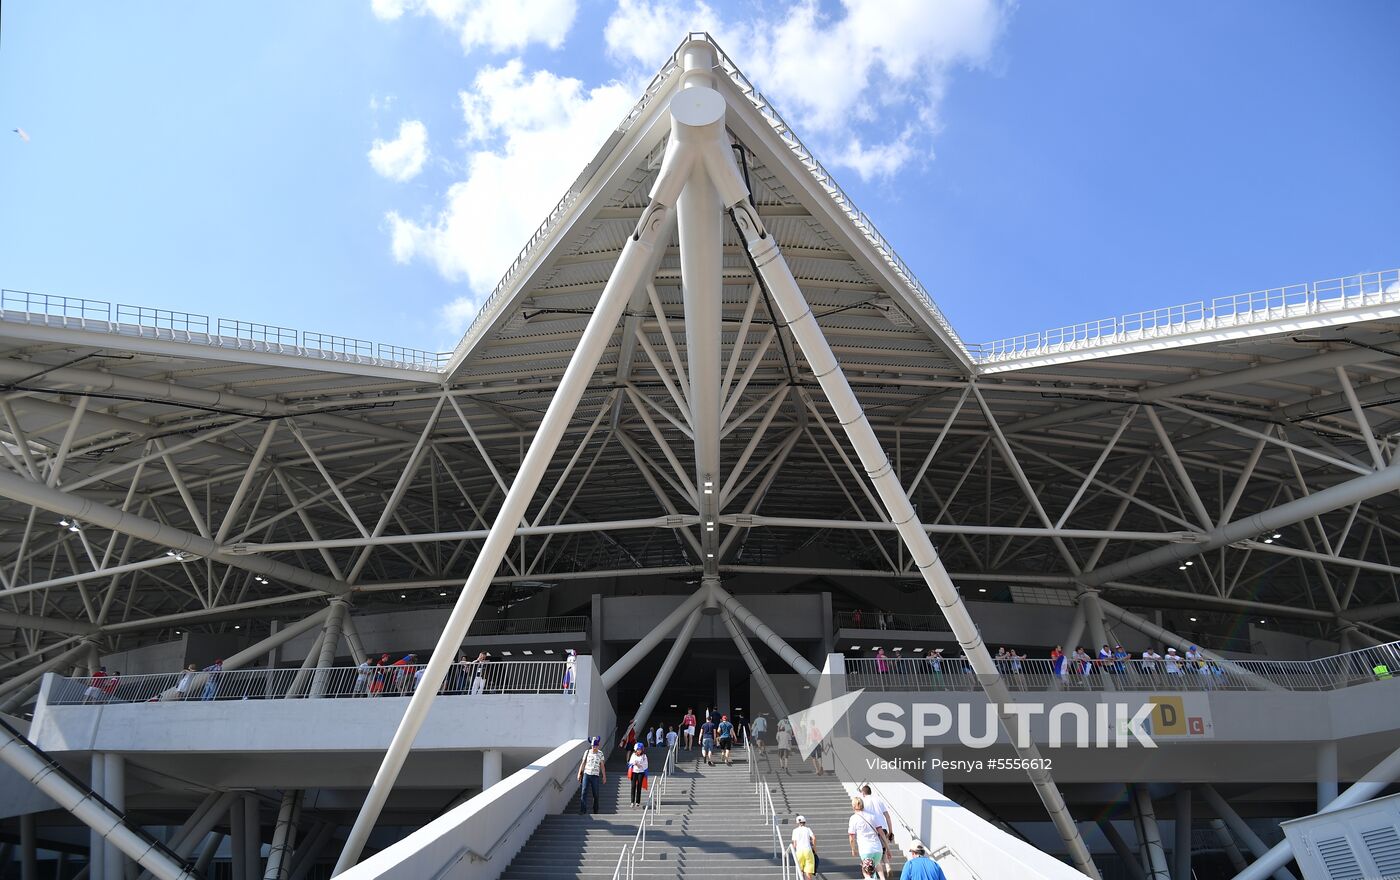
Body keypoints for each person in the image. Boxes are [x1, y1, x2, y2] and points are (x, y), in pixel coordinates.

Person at [848, 796, 890, 880]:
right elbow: (881, 833)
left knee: (867, 873)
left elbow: (851, 837)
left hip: (865, 849)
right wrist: (888, 848)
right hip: (878, 849)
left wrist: (853, 849)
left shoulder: (853, 818)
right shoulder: (872, 816)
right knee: (876, 867)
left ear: (853, 806)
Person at [577, 736, 607, 815]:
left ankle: (595, 810)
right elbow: (583, 763)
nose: (594, 747)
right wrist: (579, 773)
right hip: (587, 774)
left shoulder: (600, 753)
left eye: (596, 746)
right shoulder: (587, 752)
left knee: (596, 794)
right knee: (584, 792)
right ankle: (582, 810)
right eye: (593, 746)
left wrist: (604, 776)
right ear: (591, 745)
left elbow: (602, 765)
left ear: (598, 746)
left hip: (595, 776)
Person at [791, 814, 818, 880]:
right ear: (804, 822)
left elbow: (794, 844)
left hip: (799, 851)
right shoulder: (808, 829)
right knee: (808, 873)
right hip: (808, 850)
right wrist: (814, 849)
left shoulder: (795, 831)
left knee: (800, 872)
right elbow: (814, 838)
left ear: (797, 822)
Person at [627, 743, 649, 808]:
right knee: (633, 786)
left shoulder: (644, 756)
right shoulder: (633, 755)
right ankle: (632, 801)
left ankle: (637, 802)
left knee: (639, 787)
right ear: (636, 750)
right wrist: (634, 763)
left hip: (641, 772)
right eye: (638, 750)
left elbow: (646, 765)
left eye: (640, 750)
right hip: (634, 772)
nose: (639, 751)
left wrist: (640, 765)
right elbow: (630, 762)